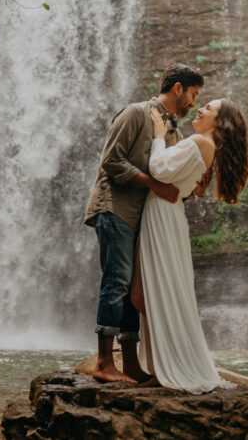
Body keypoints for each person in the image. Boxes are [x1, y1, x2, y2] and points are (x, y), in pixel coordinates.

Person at [82, 63, 205, 384]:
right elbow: (111, 160)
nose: (194, 102)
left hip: (144, 219)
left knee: (136, 289)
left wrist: (193, 187)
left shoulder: (173, 131)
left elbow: (171, 184)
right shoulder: (135, 114)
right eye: (194, 93)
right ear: (178, 87)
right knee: (117, 282)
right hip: (116, 208)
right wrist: (154, 184)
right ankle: (104, 363)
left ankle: (132, 365)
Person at [131, 98, 248, 393]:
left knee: (146, 294)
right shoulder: (207, 148)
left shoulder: (199, 141)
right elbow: (182, 182)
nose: (200, 109)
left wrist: (159, 135)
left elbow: (158, 169)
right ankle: (164, 365)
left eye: (208, 108)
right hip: (167, 216)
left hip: (161, 216)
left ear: (220, 121)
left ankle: (168, 366)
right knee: (153, 293)